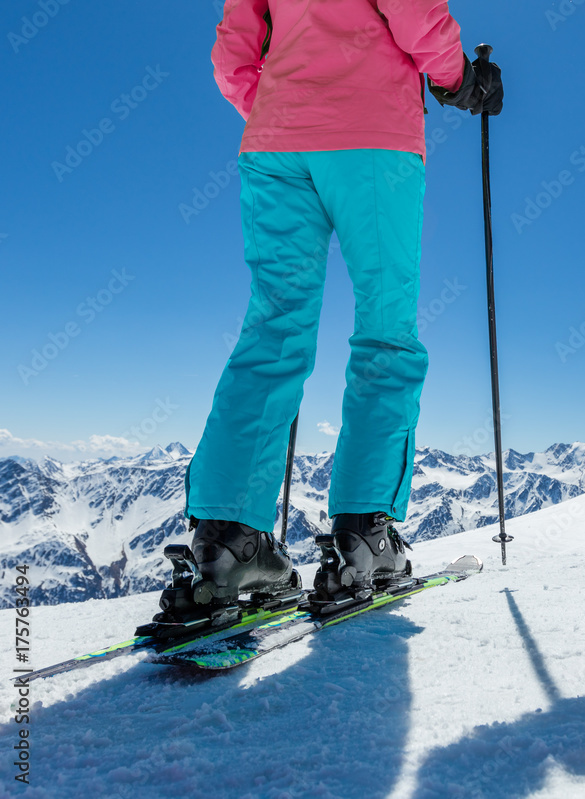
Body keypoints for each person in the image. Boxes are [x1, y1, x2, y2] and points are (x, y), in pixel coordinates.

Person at [179, 0, 503, 609]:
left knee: (273, 329)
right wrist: (460, 78)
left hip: (275, 147)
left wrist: (286, 107)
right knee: (386, 331)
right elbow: (412, 13)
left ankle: (230, 543)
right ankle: (363, 536)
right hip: (374, 142)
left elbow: (232, 56)